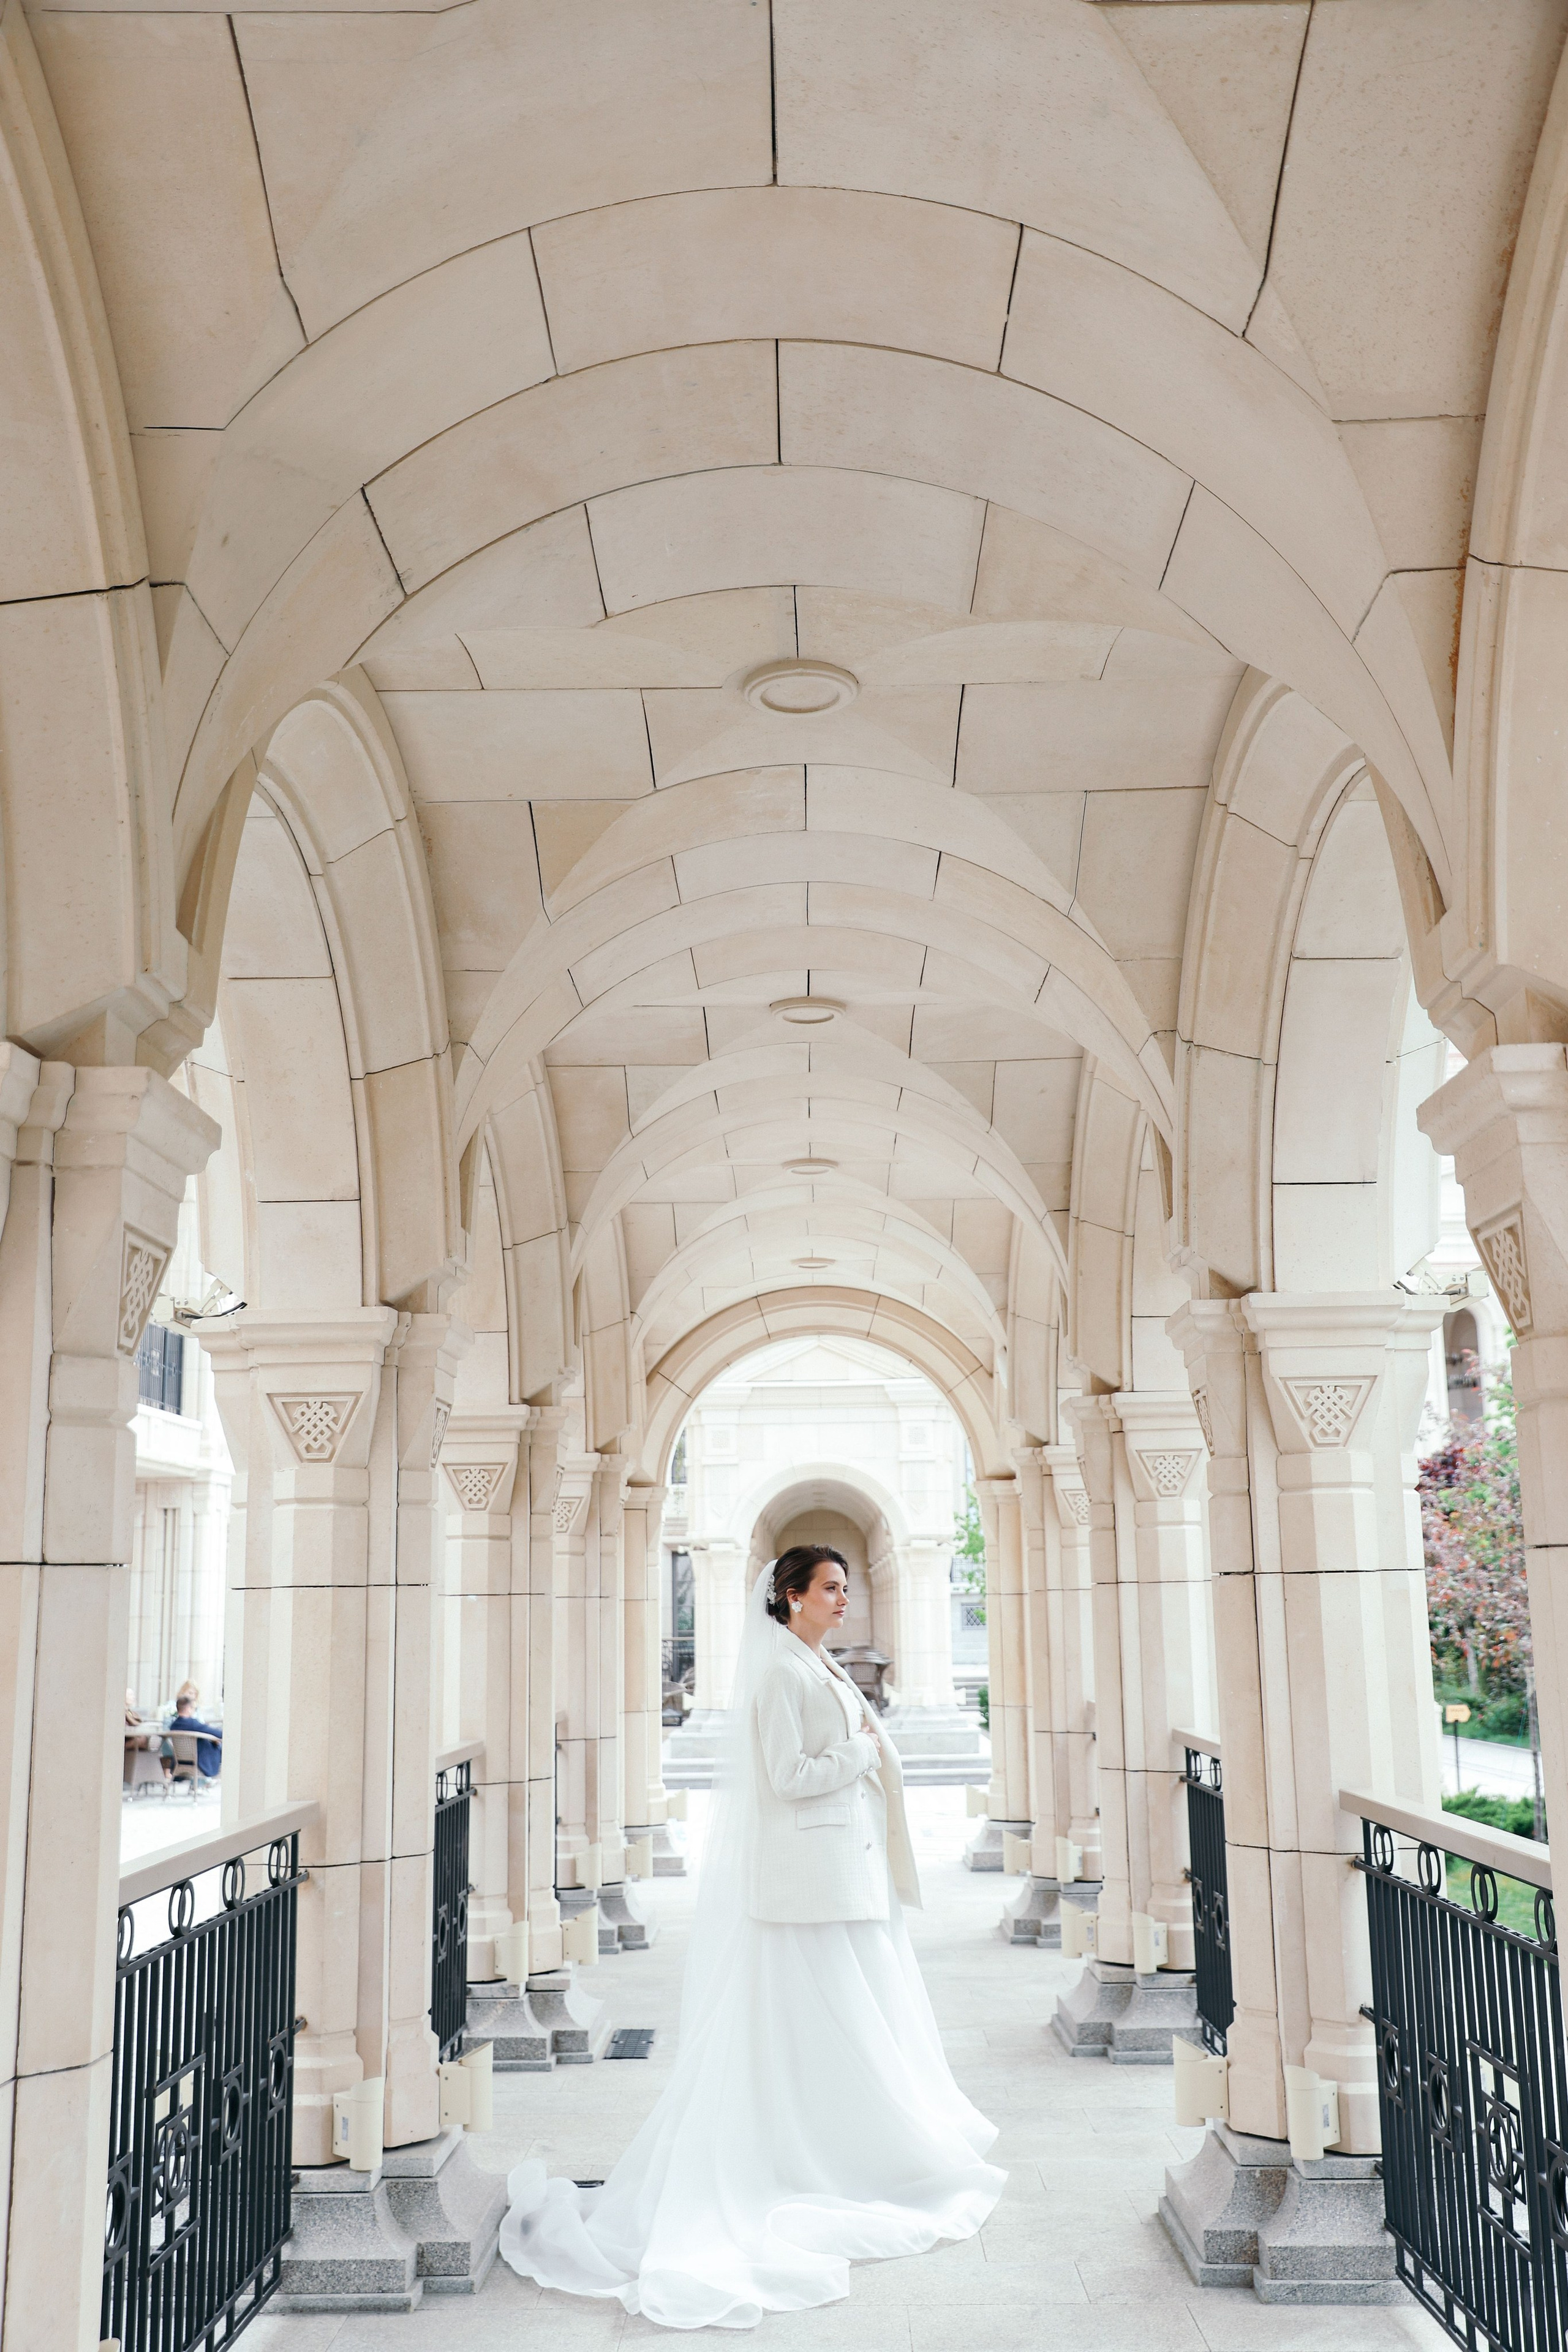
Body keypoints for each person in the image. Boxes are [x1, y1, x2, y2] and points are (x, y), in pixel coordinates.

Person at [499, 1544, 1003, 2329]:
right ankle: (832, 2153)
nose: (844, 1598)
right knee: (831, 2022)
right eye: (830, 1588)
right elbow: (786, 1778)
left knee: (855, 2021)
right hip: (813, 1883)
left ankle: (845, 2145)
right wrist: (861, 1751)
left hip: (847, 1874)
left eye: (845, 1586)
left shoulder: (817, 1662)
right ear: (792, 1596)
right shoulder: (779, 1672)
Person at [170, 1691, 222, 1780]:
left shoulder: (174, 1725)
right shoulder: (193, 1724)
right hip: (199, 1760)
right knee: (219, 1748)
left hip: (180, 1760)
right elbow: (216, 1733)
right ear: (188, 1708)